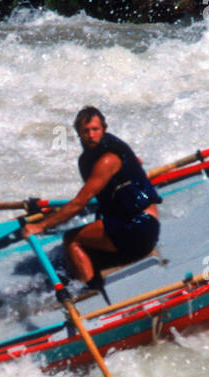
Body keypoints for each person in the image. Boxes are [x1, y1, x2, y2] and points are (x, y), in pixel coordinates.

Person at [18, 106, 161, 288]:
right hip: (139, 226)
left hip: (139, 228)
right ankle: (89, 274)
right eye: (86, 131)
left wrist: (40, 226)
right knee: (81, 256)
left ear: (104, 129)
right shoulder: (102, 152)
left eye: (95, 129)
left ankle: (89, 293)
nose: (91, 135)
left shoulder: (107, 160)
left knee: (71, 240)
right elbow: (133, 163)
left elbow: (78, 204)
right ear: (78, 133)